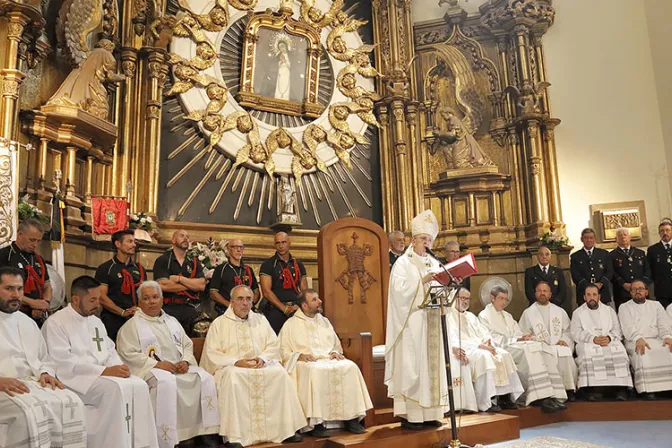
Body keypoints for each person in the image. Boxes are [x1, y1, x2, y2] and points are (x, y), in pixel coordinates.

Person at [42, 276, 159, 448]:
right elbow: (63, 362)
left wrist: (119, 367)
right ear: (75, 299)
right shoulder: (56, 323)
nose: (98, 304)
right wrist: (103, 371)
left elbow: (109, 350)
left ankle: (139, 444)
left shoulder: (96, 321)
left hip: (101, 374)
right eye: (92, 300)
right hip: (77, 380)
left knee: (139, 385)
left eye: (98, 299)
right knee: (115, 389)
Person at [116, 281, 220, 448]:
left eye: (155, 297)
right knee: (165, 383)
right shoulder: (131, 326)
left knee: (205, 379)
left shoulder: (171, 321)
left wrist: (185, 361)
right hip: (155, 371)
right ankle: (174, 437)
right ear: (139, 303)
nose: (152, 302)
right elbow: (127, 353)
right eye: (146, 298)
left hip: (179, 368)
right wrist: (155, 365)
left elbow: (187, 344)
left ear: (162, 299)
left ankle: (204, 432)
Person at [200, 285, 306, 447]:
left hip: (259, 364)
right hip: (232, 367)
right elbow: (212, 353)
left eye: (248, 299)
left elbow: (273, 345)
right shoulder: (219, 324)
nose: (245, 303)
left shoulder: (261, 320)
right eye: (240, 299)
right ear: (231, 302)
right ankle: (234, 436)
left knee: (280, 374)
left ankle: (285, 429)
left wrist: (262, 358)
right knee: (233, 377)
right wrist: (236, 362)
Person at [0, 266, 86, 448]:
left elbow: (43, 357)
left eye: (20, 289)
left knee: (72, 402)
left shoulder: (27, 322)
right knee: (27, 413)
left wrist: (45, 372)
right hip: (3, 386)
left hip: (30, 382)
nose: (16, 295)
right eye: (9, 289)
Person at [385, 210, 449, 429]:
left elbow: (440, 292)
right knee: (413, 367)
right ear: (413, 240)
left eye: (430, 240)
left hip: (432, 321)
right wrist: (421, 281)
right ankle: (411, 415)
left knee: (431, 368)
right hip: (411, 324)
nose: (427, 243)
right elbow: (398, 293)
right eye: (423, 239)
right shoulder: (404, 263)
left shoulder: (434, 262)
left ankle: (432, 413)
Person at [278, 289, 372, 437]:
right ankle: (316, 423)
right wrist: (299, 356)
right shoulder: (291, 325)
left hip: (327, 359)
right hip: (306, 362)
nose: (320, 301)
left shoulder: (325, 321)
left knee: (350, 367)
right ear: (305, 306)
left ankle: (351, 418)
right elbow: (282, 351)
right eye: (315, 299)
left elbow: (335, 343)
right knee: (314, 371)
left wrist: (335, 352)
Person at [479, 285, 568, 413]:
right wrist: (517, 340)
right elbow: (491, 338)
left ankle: (552, 394)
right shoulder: (484, 316)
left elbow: (517, 332)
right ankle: (538, 397)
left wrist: (523, 337)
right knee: (530, 350)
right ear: (492, 298)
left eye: (506, 299)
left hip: (515, 345)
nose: (504, 302)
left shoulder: (507, 315)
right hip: (502, 348)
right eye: (501, 298)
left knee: (540, 347)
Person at [447, 287, 524, 412]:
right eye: (463, 298)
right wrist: (479, 345)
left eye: (468, 299)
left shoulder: (471, 316)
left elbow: (484, 332)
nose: (466, 301)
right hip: (467, 349)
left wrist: (488, 341)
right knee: (485, 357)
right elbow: (452, 339)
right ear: (455, 298)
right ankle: (488, 401)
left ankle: (505, 397)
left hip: (480, 347)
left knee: (504, 354)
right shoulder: (449, 317)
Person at [570, 284, 632, 401]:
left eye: (594, 294)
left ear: (599, 297)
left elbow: (617, 329)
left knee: (619, 352)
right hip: (587, 342)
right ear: (584, 297)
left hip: (608, 340)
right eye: (588, 295)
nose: (591, 297)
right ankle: (590, 389)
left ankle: (620, 388)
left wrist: (609, 337)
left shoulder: (609, 310)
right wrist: (592, 339)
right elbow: (575, 332)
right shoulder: (578, 313)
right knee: (589, 354)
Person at [519, 282, 578, 398]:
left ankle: (568, 389)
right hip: (540, 347)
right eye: (539, 291)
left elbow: (568, 331)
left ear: (550, 294)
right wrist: (533, 339)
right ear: (535, 294)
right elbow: (524, 334)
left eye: (545, 291)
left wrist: (564, 340)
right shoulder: (528, 313)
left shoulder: (559, 311)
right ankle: (546, 392)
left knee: (564, 352)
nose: (542, 293)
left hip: (557, 345)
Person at [618, 279, 672, 400]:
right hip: (634, 340)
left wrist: (667, 337)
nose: (638, 292)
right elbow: (627, 327)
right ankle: (647, 389)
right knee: (644, 352)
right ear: (630, 293)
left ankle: (667, 387)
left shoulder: (656, 305)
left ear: (646, 292)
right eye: (634, 289)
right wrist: (638, 338)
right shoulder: (624, 307)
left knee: (669, 349)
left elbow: (663, 323)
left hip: (656, 338)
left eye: (640, 289)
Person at [96, 229, 147, 341]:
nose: (133, 245)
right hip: (112, 319)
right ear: (118, 244)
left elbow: (145, 294)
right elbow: (101, 296)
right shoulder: (106, 268)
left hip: (135, 318)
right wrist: (122, 312)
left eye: (134, 242)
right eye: (129, 241)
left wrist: (137, 309)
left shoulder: (139, 269)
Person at [153, 229, 206, 334]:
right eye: (182, 236)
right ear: (173, 240)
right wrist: (191, 284)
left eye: (187, 236)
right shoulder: (163, 260)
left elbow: (202, 285)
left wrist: (179, 279)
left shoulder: (194, 263)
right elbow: (162, 285)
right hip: (168, 308)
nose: (185, 238)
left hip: (189, 308)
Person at [0, 219, 52, 323]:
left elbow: (47, 285)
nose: (35, 245)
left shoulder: (39, 259)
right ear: (19, 235)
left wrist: (44, 303)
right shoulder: (4, 255)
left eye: (38, 241)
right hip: (10, 313)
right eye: (32, 240)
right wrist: (32, 303)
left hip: (37, 316)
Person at [260, 232, 307, 334]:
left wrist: (300, 306)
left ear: (289, 243)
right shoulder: (268, 264)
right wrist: (284, 308)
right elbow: (266, 291)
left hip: (296, 307)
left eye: (284, 242)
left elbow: (304, 290)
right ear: (274, 245)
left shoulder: (299, 265)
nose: (281, 246)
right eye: (278, 243)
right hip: (275, 308)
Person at [209, 239, 259, 316]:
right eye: (235, 247)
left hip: (247, 312)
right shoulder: (220, 269)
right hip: (226, 311)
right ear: (229, 250)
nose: (239, 250)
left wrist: (249, 304)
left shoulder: (248, 270)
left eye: (241, 247)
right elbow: (213, 292)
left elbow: (256, 292)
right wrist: (230, 305)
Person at [570, 227, 613, 306]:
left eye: (591, 238)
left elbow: (610, 271)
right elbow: (575, 275)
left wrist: (601, 283)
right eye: (586, 238)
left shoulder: (604, 254)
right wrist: (588, 286)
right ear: (581, 239)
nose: (589, 240)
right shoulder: (575, 256)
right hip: (584, 294)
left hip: (602, 292)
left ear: (595, 239)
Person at [610, 228, 651, 310]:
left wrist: (641, 285)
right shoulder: (612, 255)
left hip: (641, 292)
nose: (623, 237)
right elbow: (612, 272)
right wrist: (623, 284)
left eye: (625, 235)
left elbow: (647, 270)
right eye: (620, 235)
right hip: (622, 292)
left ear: (630, 237)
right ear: (616, 239)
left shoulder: (640, 253)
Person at [647, 220, 672, 309]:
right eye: (662, 231)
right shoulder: (652, 250)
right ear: (659, 233)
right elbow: (649, 269)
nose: (665, 233)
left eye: (667, 230)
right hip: (662, 291)